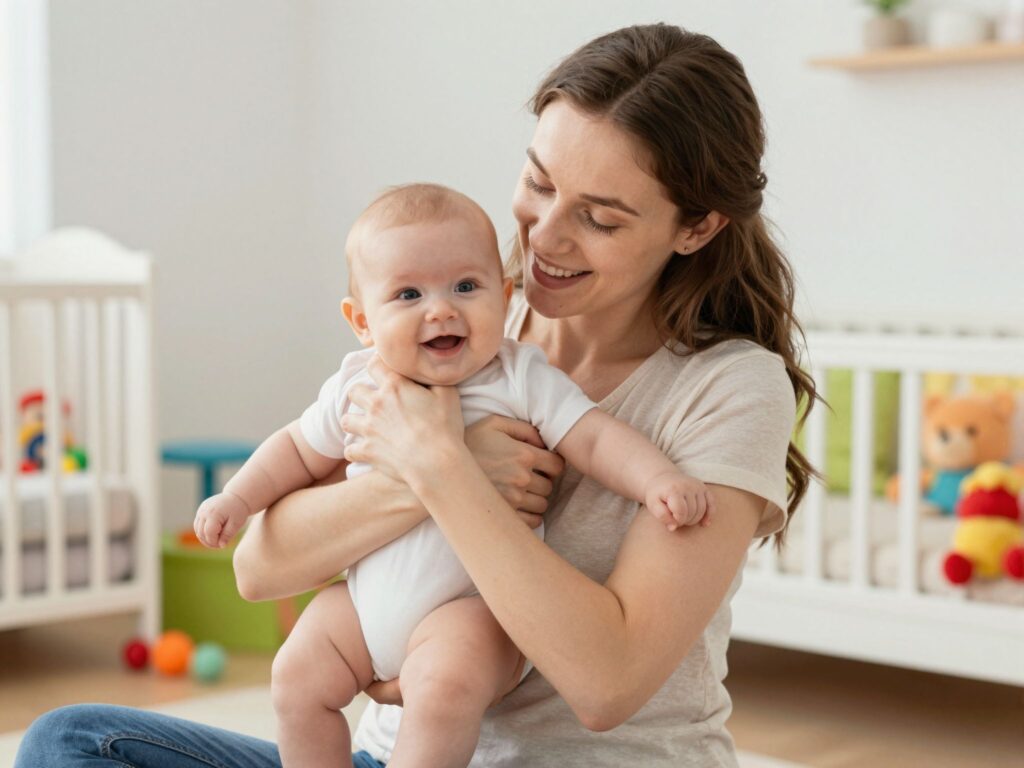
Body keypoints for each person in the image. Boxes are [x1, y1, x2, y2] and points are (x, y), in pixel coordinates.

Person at [14, 22, 815, 768]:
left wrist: (443, 471)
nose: (544, 236)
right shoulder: (449, 327)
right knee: (72, 742)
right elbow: (261, 565)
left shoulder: (728, 386)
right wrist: (425, 476)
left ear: (697, 228)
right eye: (538, 183)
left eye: (600, 219)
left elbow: (605, 685)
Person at [192, 181, 714, 768]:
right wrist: (236, 497)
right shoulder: (358, 385)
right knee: (293, 675)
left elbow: (593, 436)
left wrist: (656, 481)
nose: (440, 308)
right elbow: (294, 450)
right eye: (408, 294)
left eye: (466, 287)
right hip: (363, 608)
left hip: (468, 610)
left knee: (442, 691)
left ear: (504, 294)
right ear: (362, 321)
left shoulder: (517, 376)